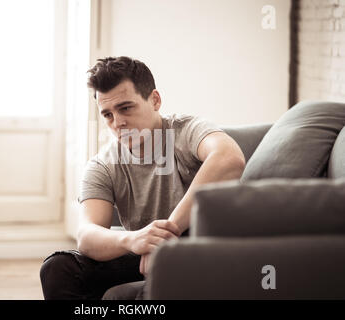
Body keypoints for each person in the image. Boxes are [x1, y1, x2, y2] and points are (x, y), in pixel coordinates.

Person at [40, 56, 246, 300]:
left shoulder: (186, 131)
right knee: (57, 267)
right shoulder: (102, 165)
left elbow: (230, 158)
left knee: (165, 272)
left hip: (198, 251)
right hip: (142, 255)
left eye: (126, 108)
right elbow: (86, 235)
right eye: (107, 115)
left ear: (155, 100)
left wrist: (166, 235)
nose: (118, 123)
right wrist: (133, 240)